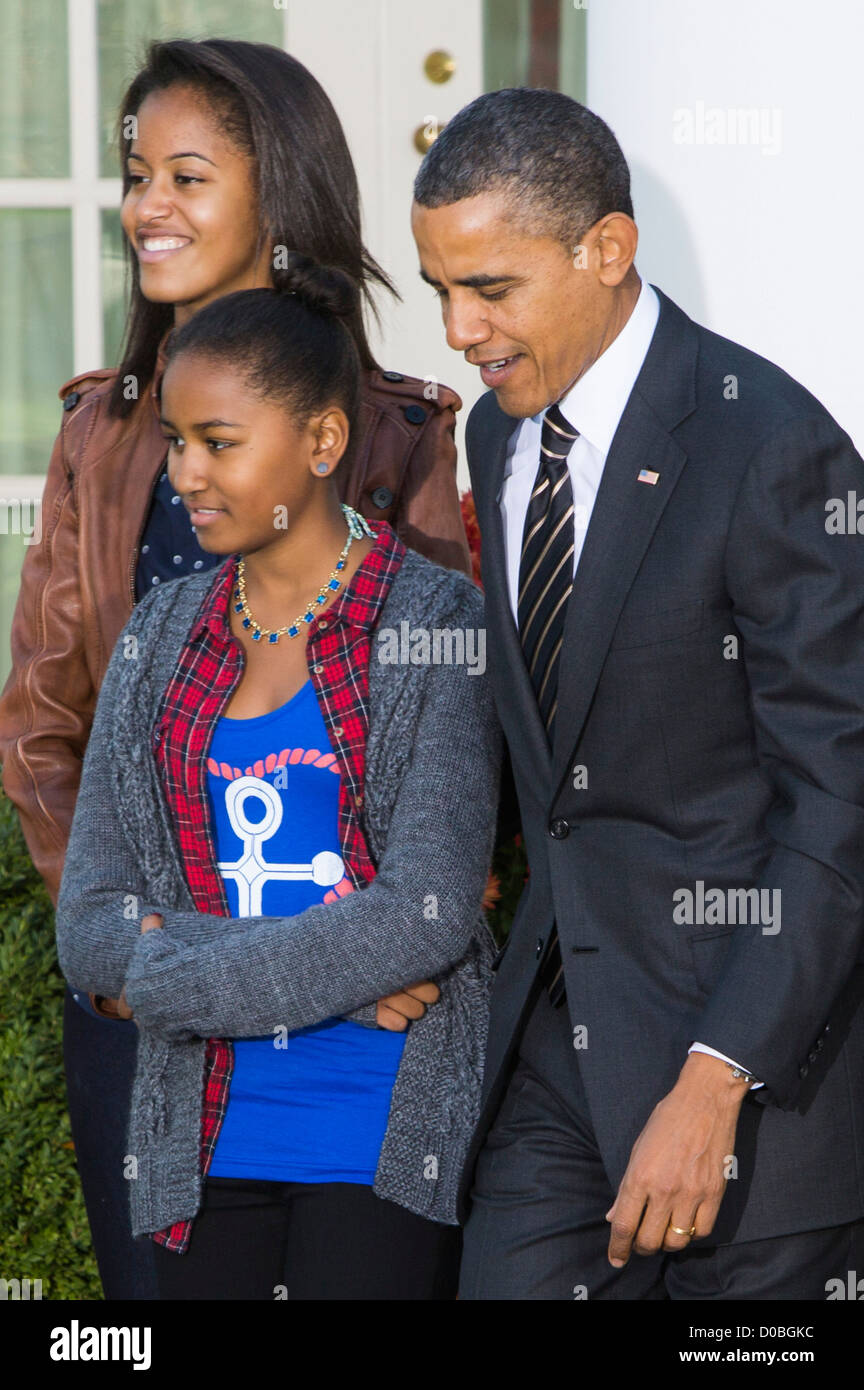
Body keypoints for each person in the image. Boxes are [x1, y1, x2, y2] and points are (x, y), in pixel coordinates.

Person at [0, 39, 470, 1300]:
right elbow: (44, 725)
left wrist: (354, 955)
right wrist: (126, 946)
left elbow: (447, 726)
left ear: (283, 194)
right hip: (147, 1016)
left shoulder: (396, 432)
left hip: (360, 1019)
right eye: (136, 173)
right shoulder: (101, 432)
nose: (149, 206)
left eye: (188, 176)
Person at [411, 87, 864, 1299]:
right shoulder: (499, 438)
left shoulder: (771, 446)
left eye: (491, 289)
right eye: (440, 288)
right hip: (560, 1058)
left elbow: (840, 800)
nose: (459, 331)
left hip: (757, 1083)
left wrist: (717, 1074)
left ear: (607, 250)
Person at [54, 267, 500, 1301]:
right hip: (202, 1139)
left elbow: (426, 915)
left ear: (322, 441)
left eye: (219, 442)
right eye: (174, 440)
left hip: (377, 1137)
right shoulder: (160, 638)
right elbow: (89, 923)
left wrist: (165, 971)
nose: (185, 475)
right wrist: (337, 976)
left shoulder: (434, 627)